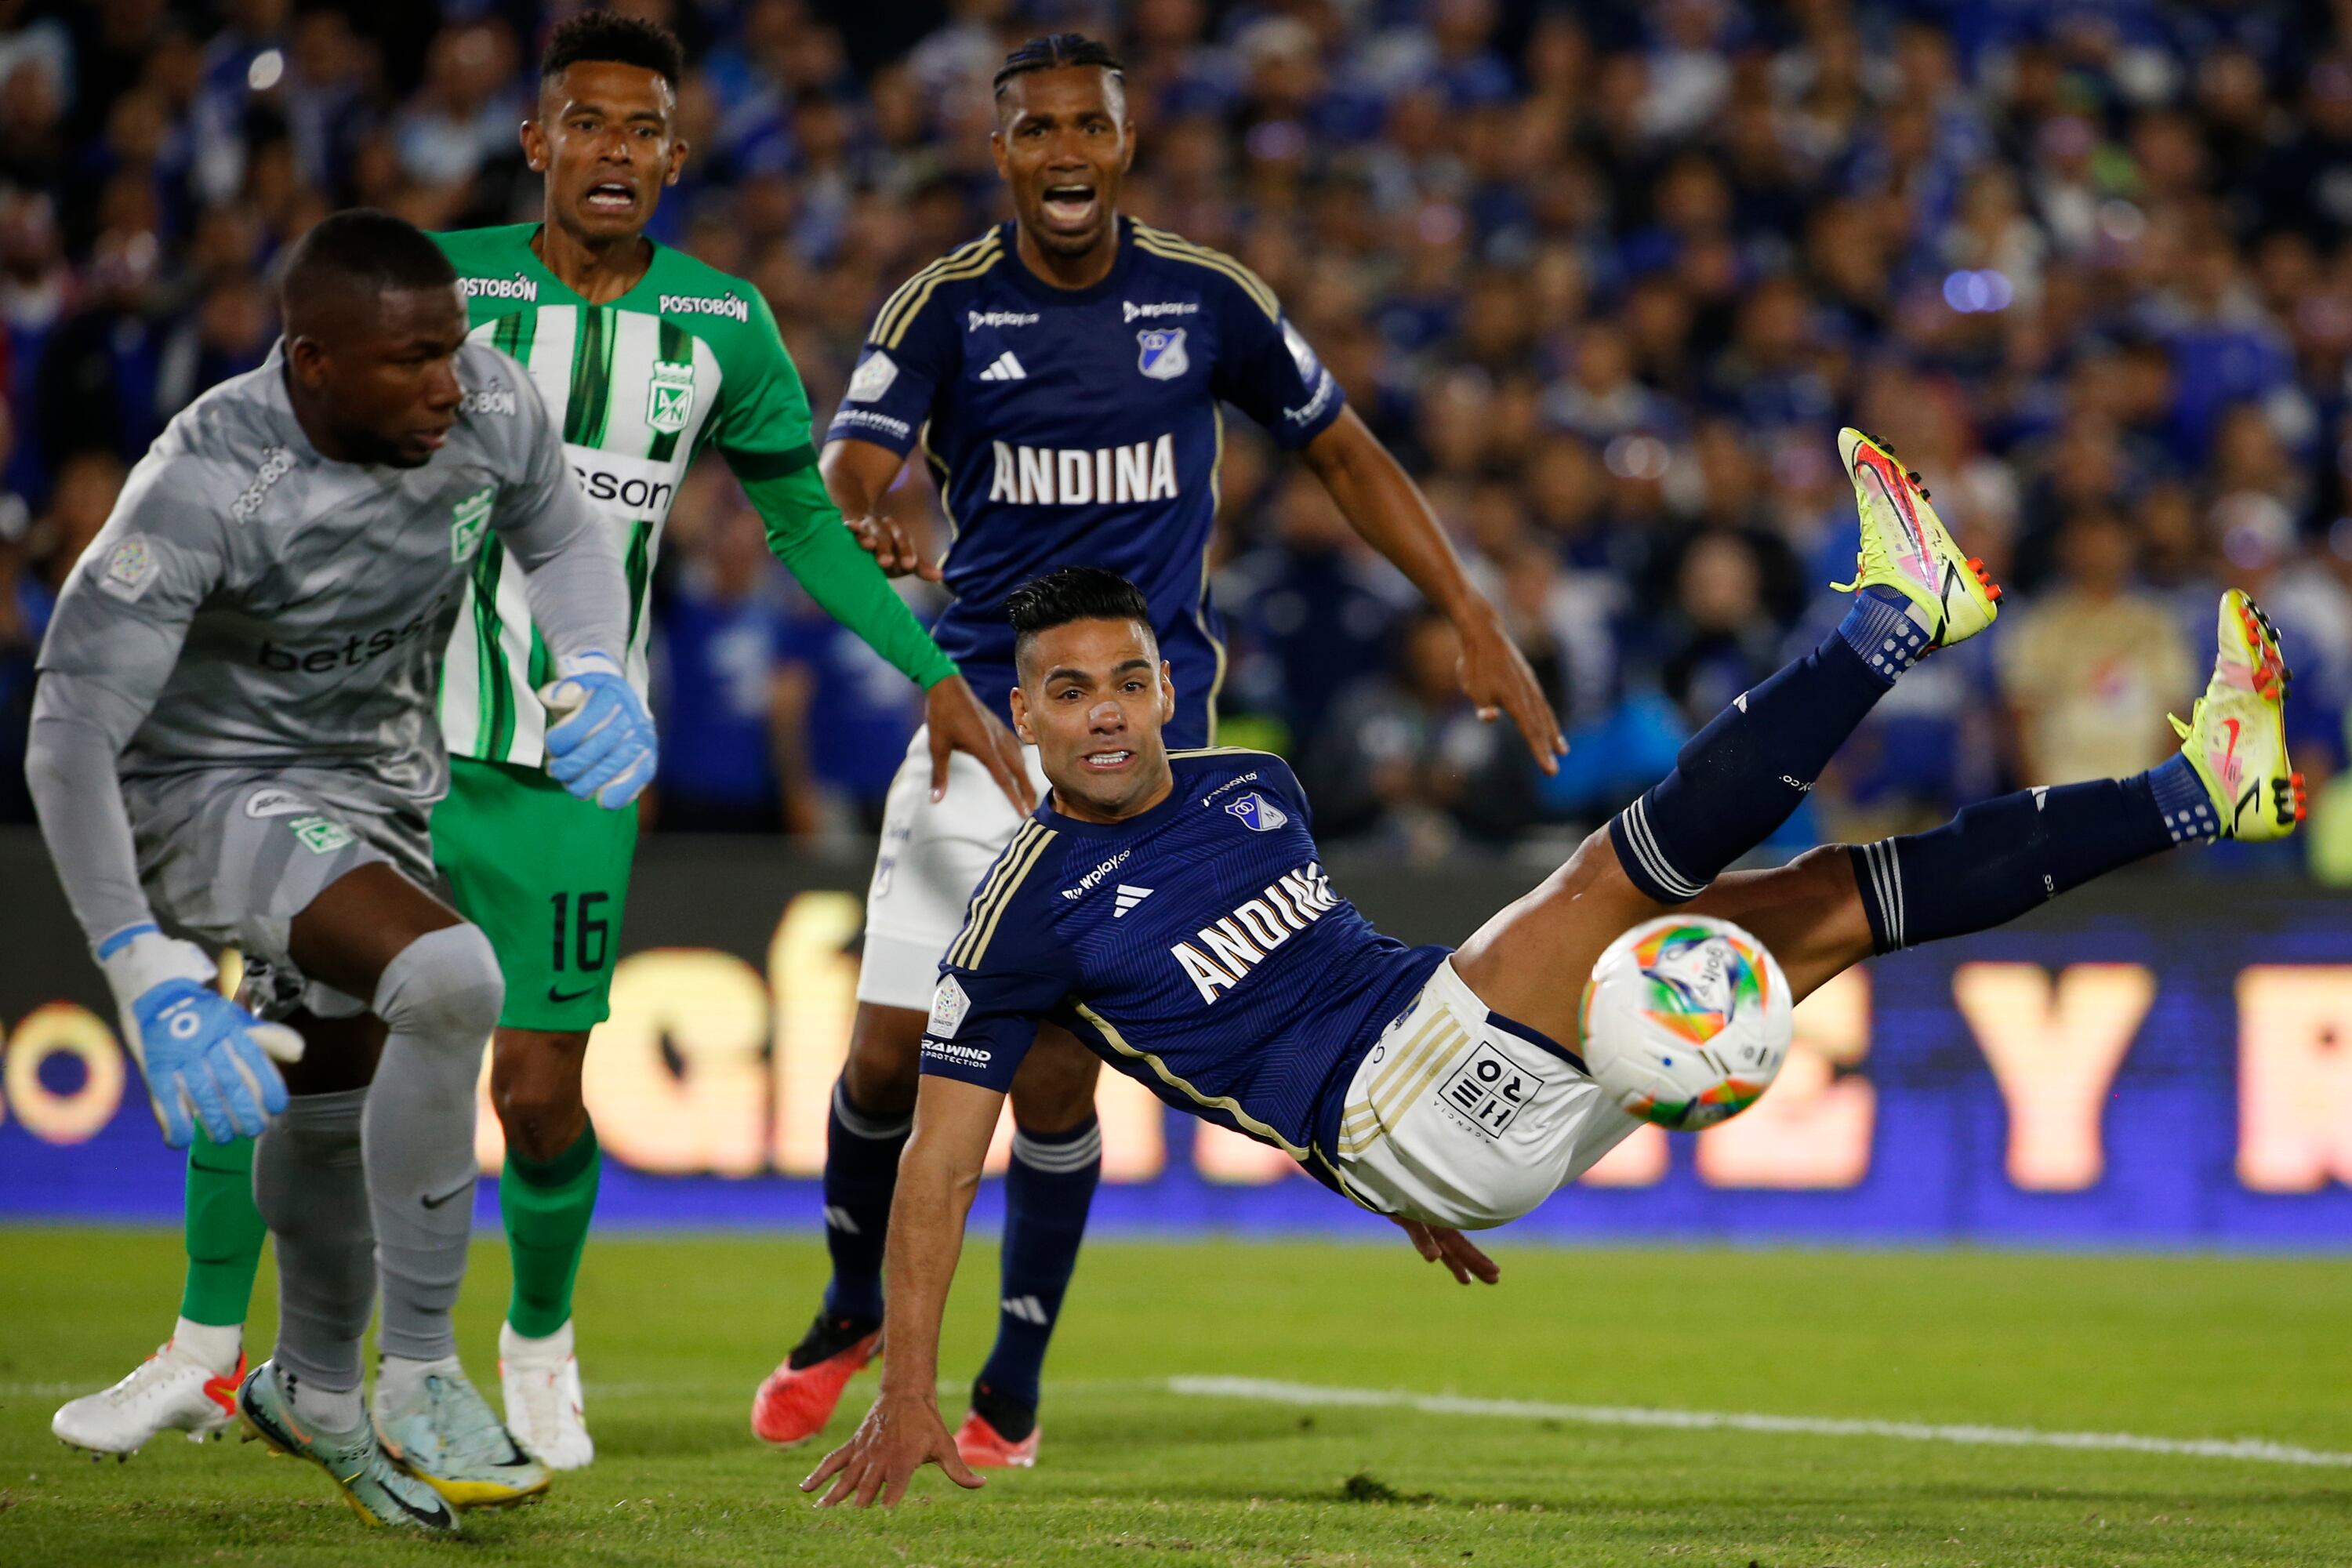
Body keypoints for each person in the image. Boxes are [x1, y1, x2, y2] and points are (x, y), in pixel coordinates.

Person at [801, 429, 2304, 1508]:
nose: (1112, 711)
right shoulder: (1015, 916)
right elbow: (940, 1171)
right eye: (1072, 691)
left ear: (1167, 681)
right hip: (1412, 1106)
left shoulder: (1252, 786)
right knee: (1622, 866)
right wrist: (915, 1390)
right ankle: (1901, 615)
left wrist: (1402, 1196)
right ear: (1025, 712)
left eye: (1132, 677)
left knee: (1835, 901)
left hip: (1447, 1099)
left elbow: (1245, 1034)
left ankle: (2203, 789)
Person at [50, 11, 1031, 1473]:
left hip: (573, 770)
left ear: (678, 156)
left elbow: (804, 524)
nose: (616, 151)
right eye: (589, 123)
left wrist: (930, 670)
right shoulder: (448, 292)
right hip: (377, 755)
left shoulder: (720, 326)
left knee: (541, 1092)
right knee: (285, 1044)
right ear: (538, 143)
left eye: (644, 130)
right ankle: (202, 1356)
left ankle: (540, 1349)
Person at [753, 31, 1564, 1468]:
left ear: (1127, 141)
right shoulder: (943, 307)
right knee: (889, 1060)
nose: (1066, 152)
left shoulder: (1206, 299)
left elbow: (1349, 452)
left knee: (1059, 1075)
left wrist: (1468, 608)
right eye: (1037, 130)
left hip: (1151, 753)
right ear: (999, 150)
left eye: (1091, 125)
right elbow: (845, 468)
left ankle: (1012, 1381)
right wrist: (867, 516)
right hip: (981, 717)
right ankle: (844, 1308)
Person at [25, 209, 645, 1530]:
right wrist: (143, 967)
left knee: (334, 1066)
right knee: (450, 976)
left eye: (455, 348)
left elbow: (563, 531)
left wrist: (592, 663)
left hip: (373, 787)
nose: (449, 382)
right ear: (311, 360)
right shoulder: (205, 478)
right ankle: (419, 1371)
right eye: (411, 360)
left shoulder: (483, 395)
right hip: (196, 790)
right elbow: (70, 732)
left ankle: (308, 1379)